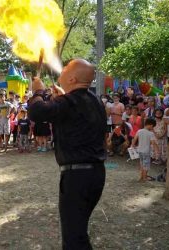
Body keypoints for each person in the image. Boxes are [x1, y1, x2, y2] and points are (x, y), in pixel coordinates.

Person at [28, 59, 106, 249]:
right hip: (95, 174)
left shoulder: (69, 102)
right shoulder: (94, 100)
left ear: (72, 78)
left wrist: (38, 92)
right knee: (78, 232)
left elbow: (37, 112)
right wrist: (62, 96)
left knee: (73, 237)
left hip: (77, 177)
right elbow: (74, 111)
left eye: (65, 69)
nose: (61, 71)